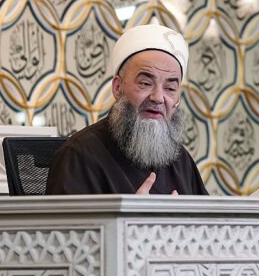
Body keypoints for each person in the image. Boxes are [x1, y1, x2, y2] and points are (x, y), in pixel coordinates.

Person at [46, 24, 208, 195]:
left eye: (170, 88)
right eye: (145, 83)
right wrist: (131, 212)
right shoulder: (79, 156)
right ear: (117, 87)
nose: (158, 97)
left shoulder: (180, 160)